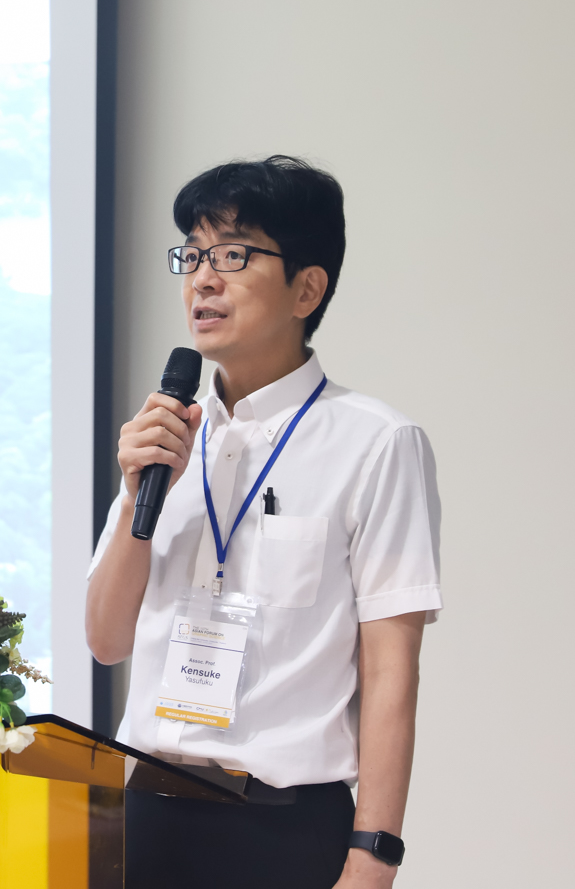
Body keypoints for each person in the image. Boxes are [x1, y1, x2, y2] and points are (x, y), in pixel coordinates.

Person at [86, 156, 442, 889]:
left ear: (307, 288)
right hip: (144, 819)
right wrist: (135, 500)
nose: (202, 279)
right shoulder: (163, 437)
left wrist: (374, 855)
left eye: (233, 255)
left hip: (283, 831)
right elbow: (106, 639)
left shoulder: (376, 443)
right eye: (193, 255)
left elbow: (391, 670)